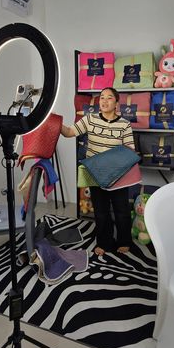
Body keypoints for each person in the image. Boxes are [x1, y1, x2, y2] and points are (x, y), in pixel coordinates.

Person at [61, 87, 135, 256]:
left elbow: (130, 150)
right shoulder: (90, 119)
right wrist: (56, 123)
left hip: (118, 175)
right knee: (101, 211)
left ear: (117, 103)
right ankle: (104, 242)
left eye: (109, 98)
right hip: (96, 173)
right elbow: (70, 132)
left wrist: (116, 163)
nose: (104, 101)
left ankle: (124, 241)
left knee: (121, 210)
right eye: (102, 97)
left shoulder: (124, 124)